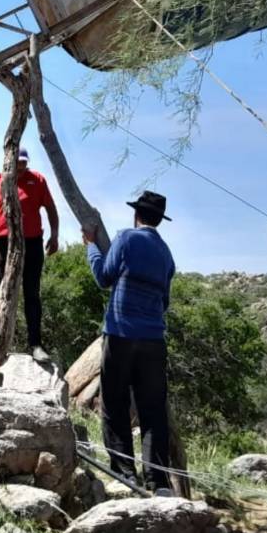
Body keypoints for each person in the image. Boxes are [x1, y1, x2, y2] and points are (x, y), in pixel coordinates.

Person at [83, 190, 175, 494]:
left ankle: (126, 473)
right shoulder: (166, 254)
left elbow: (102, 278)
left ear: (137, 215)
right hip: (153, 339)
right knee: (152, 411)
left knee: (114, 403)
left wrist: (91, 247)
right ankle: (158, 481)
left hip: (121, 333)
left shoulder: (125, 238)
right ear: (159, 220)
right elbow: (164, 302)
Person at [0, 146, 60, 363]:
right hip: (4, 243)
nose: (22, 166)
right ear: (9, 160)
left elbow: (51, 209)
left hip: (33, 243)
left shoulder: (37, 180)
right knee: (4, 294)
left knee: (32, 294)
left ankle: (35, 344)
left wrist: (54, 236)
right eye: (18, 162)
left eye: (25, 162)